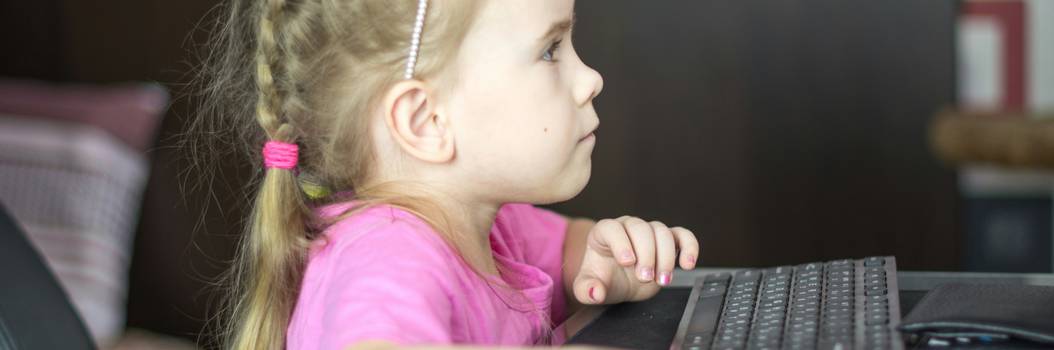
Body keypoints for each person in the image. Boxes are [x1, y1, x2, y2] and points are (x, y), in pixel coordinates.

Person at [190, 0, 700, 348]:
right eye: (550, 51)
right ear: (425, 121)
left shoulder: (486, 221)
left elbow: (570, 252)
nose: (591, 78)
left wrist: (606, 263)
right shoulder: (387, 256)